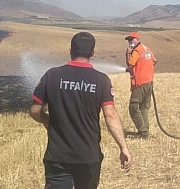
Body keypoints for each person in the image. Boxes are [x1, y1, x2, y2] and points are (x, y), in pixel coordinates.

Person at [29, 31, 131, 189]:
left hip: (58, 156)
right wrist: (123, 147)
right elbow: (110, 115)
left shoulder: (52, 75)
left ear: (70, 49)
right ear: (92, 52)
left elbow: (35, 110)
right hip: (88, 157)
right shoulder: (101, 80)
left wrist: (47, 120)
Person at [124, 31, 157, 138]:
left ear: (137, 39)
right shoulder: (146, 48)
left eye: (131, 39)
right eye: (128, 40)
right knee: (144, 107)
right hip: (149, 81)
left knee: (133, 107)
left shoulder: (136, 51)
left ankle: (143, 132)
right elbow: (154, 61)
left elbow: (130, 64)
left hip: (140, 82)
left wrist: (128, 53)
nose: (129, 42)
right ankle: (144, 131)